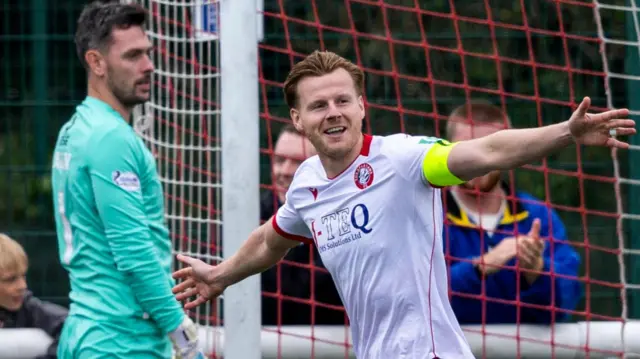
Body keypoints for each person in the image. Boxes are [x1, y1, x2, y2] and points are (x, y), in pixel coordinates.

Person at [171, 50, 634, 359]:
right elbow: (272, 238)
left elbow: (490, 152)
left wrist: (566, 132)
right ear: (298, 118)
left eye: (342, 100)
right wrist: (220, 275)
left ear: (361, 106)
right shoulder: (307, 184)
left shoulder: (404, 159)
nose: (333, 111)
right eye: (318, 105)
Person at [51, 2, 203, 358]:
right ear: (97, 62)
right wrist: (181, 332)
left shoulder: (75, 129)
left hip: (88, 330)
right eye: (133, 56)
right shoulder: (110, 138)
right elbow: (133, 253)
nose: (148, 66)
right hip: (121, 340)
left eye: (147, 54)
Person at [442, 102, 582, 324]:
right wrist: (481, 265)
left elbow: (566, 302)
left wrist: (536, 272)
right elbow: (414, 297)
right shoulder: (427, 214)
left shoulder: (537, 215)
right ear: (448, 150)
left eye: (490, 149)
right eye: (466, 149)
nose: (477, 160)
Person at [260, 124, 345, 326]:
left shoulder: (345, 218)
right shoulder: (254, 214)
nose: (285, 171)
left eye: (298, 163)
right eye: (280, 160)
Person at [0, 233, 68, 359]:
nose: (23, 286)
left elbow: (70, 326)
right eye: (11, 279)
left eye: (23, 276)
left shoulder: (27, 307)